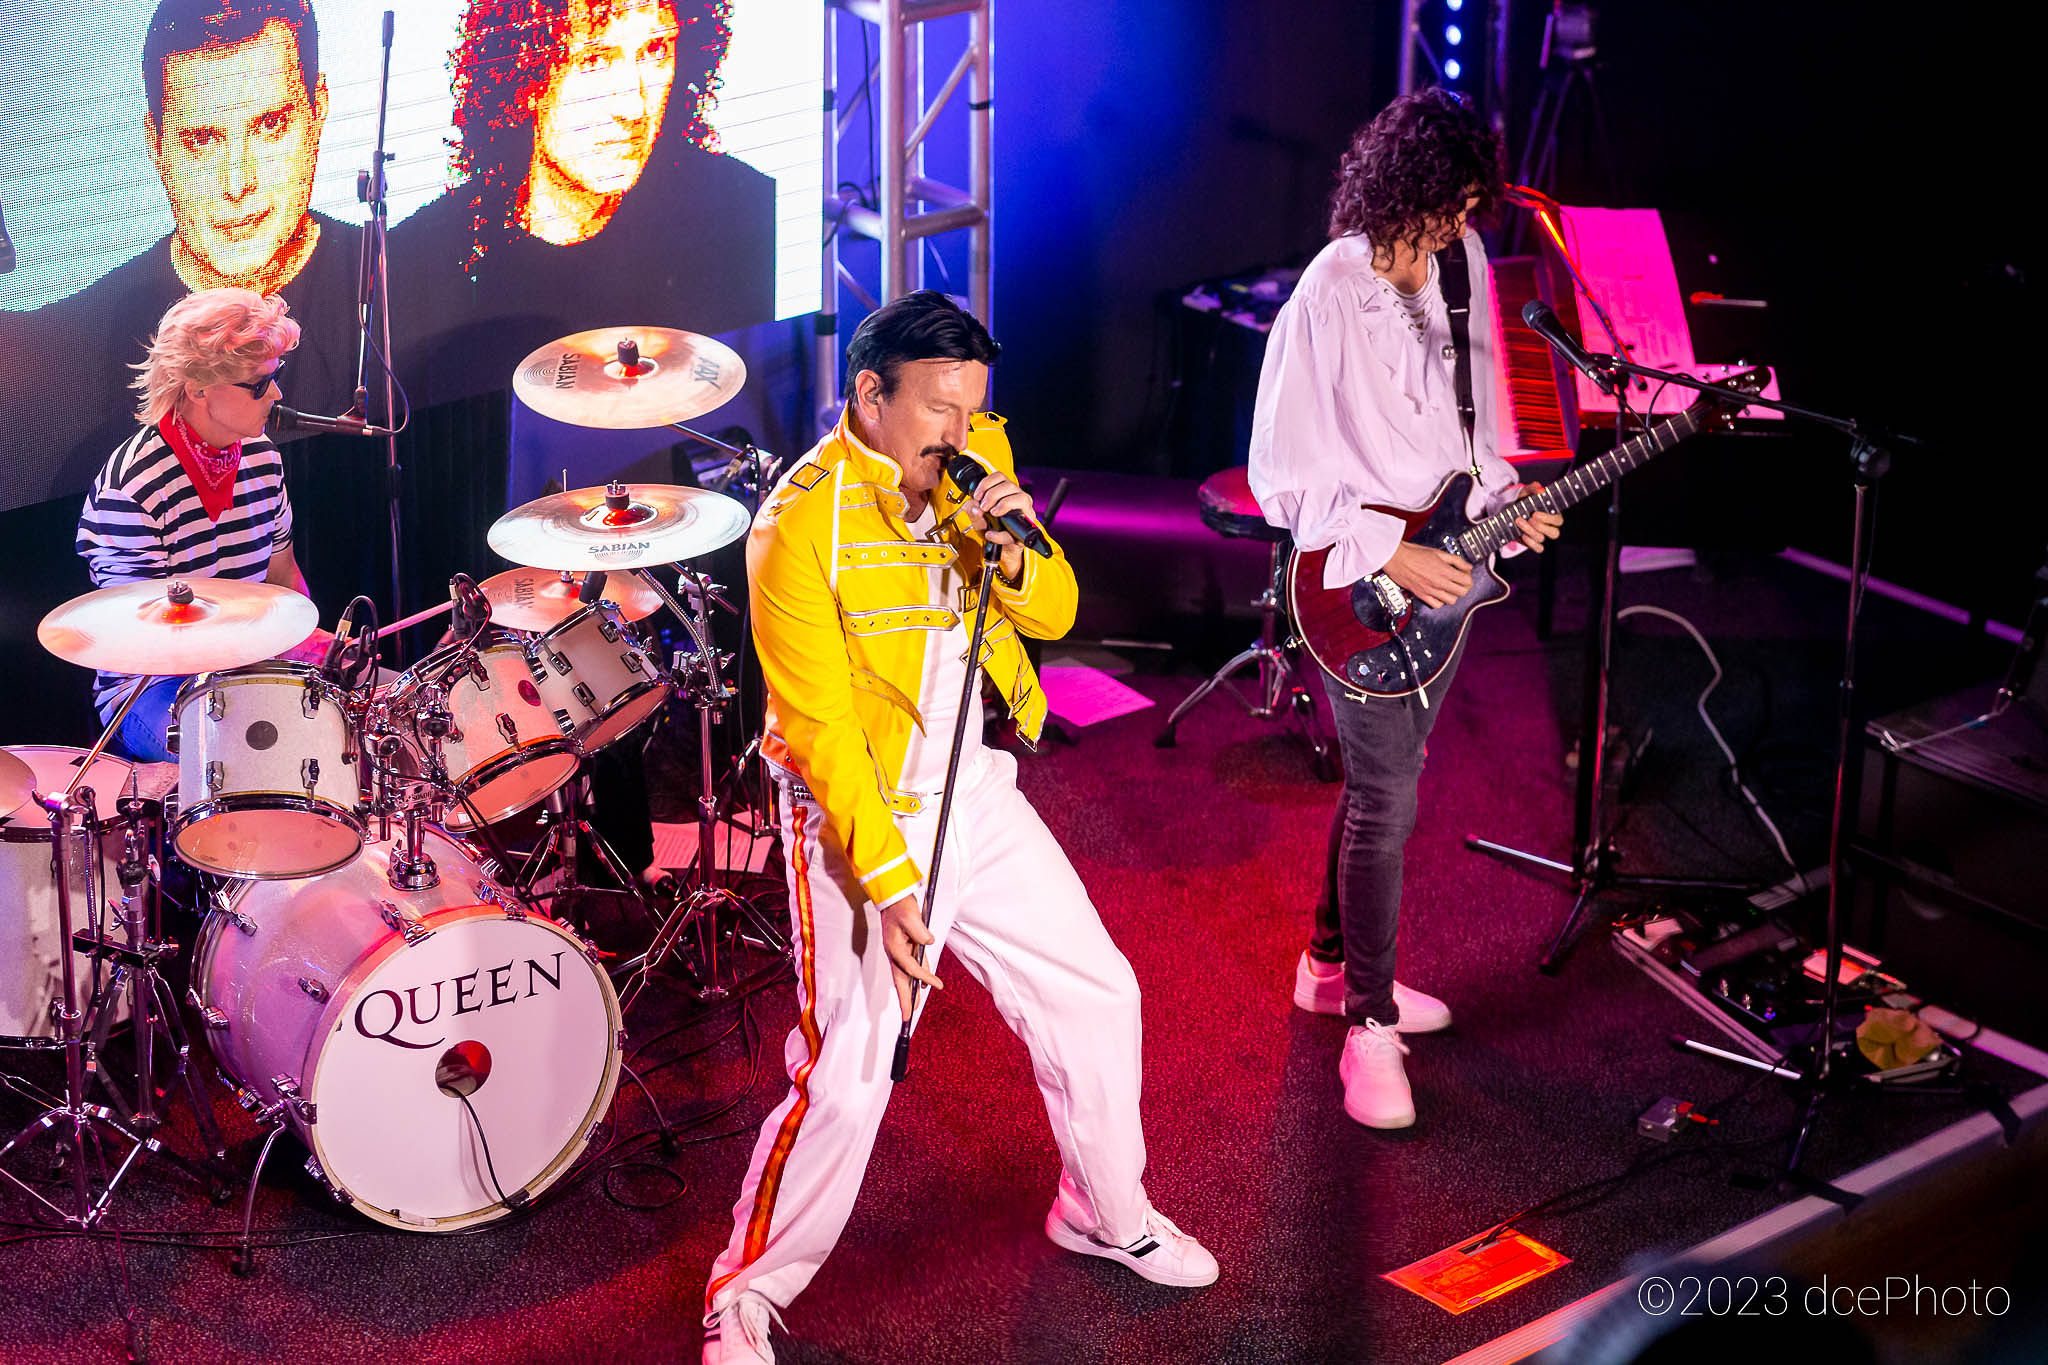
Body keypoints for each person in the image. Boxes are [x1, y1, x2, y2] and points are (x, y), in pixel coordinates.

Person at [699, 292, 1218, 1363]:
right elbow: (823, 733)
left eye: (973, 408)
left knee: (1096, 990)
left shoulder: (975, 462)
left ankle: (1102, 1208)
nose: (961, 430)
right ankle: (743, 1291)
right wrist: (893, 892)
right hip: (862, 813)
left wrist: (1016, 553)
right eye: (939, 409)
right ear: (868, 395)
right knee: (850, 1071)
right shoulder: (797, 527)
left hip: (971, 786)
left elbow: (1057, 612)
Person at [1248, 89, 1562, 1129]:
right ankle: (1368, 1024)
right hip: (1360, 576)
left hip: (1451, 564)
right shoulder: (1328, 292)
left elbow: (1476, 428)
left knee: (1385, 779)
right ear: (1396, 190)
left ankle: (1325, 965)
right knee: (1387, 799)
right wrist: (1390, 550)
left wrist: (1508, 501)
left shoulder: (1464, 263)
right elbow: (1282, 471)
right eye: (1442, 204)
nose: (1456, 224)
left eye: (1468, 206)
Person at [16, 0, 364, 503]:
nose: (237, 183)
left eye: (270, 124)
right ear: (156, 146)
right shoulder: (58, 354)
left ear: (318, 113)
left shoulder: (399, 282)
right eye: (202, 139)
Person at [389, 0, 776, 402]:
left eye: (655, 51)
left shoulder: (740, 206)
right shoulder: (425, 253)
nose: (634, 107)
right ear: (525, 75)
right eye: (595, 61)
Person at [74, 288, 319, 762]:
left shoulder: (263, 458)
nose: (276, 394)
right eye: (259, 383)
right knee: (252, 757)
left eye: (277, 376)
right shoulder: (134, 487)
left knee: (362, 713)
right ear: (199, 387)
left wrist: (309, 646)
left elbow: (283, 578)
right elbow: (142, 640)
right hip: (151, 689)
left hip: (244, 665)